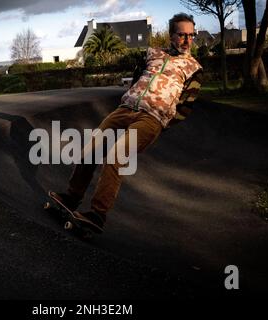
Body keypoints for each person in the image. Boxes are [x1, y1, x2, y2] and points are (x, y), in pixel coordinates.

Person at [54, 13, 204, 233]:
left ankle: (97, 214)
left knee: (116, 157)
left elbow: (185, 107)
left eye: (191, 35)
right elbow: (136, 79)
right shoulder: (152, 54)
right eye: (182, 35)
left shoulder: (194, 69)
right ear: (172, 35)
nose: (187, 40)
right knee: (92, 150)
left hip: (151, 118)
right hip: (125, 109)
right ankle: (72, 198)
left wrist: (161, 123)